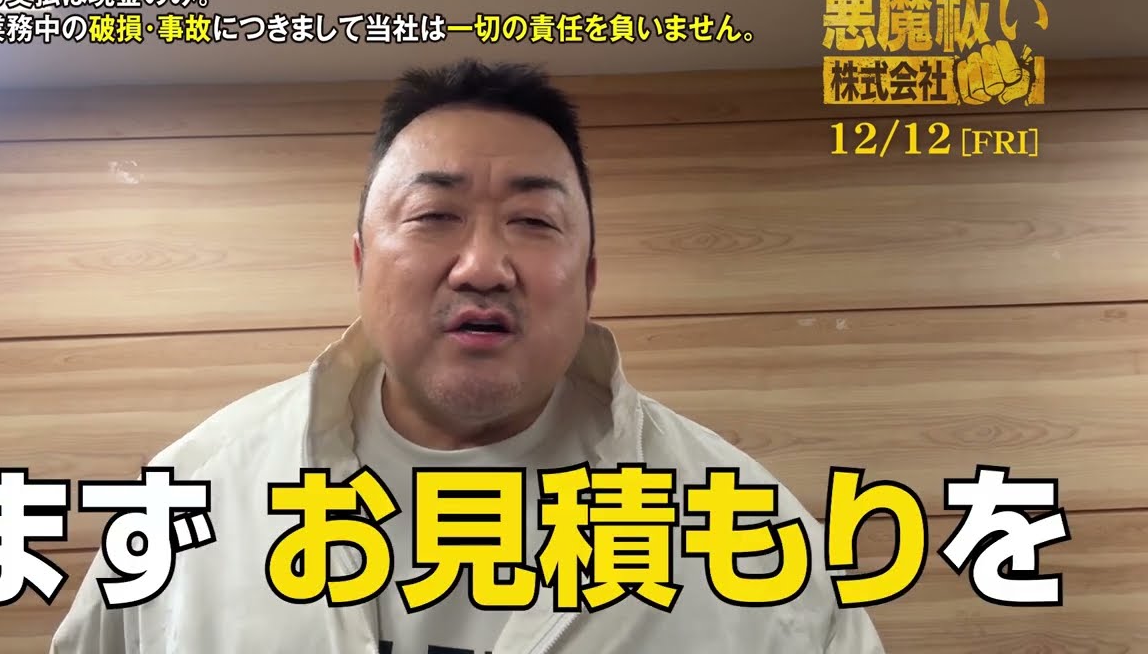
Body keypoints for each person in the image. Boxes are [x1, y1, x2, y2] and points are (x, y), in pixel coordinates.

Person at [49, 58, 886, 653]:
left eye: (534, 222)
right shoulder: (194, 495)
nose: (483, 265)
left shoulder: (752, 532)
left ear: (589, 278)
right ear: (360, 264)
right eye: (432, 216)